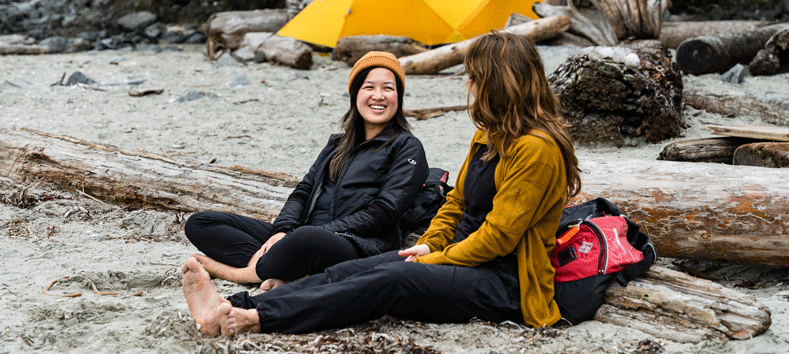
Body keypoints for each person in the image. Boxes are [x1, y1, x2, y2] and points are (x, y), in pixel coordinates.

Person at [181, 30, 583, 336]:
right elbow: (457, 204)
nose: (469, 86)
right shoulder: (490, 136)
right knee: (356, 270)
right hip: (456, 256)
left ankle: (253, 318)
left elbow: (497, 238)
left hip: (503, 282)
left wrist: (432, 259)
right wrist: (431, 243)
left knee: (392, 279)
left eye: (474, 77)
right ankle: (231, 305)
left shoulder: (536, 150)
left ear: (498, 83)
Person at [183, 51, 429, 292]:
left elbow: (383, 213)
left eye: (388, 88)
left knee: (306, 240)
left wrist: (309, 233)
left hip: (355, 244)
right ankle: (286, 271)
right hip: (302, 236)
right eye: (369, 87)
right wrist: (281, 232)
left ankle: (241, 274)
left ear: (399, 97)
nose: (378, 96)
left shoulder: (407, 146)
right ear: (355, 94)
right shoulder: (337, 144)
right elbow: (303, 192)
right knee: (200, 222)